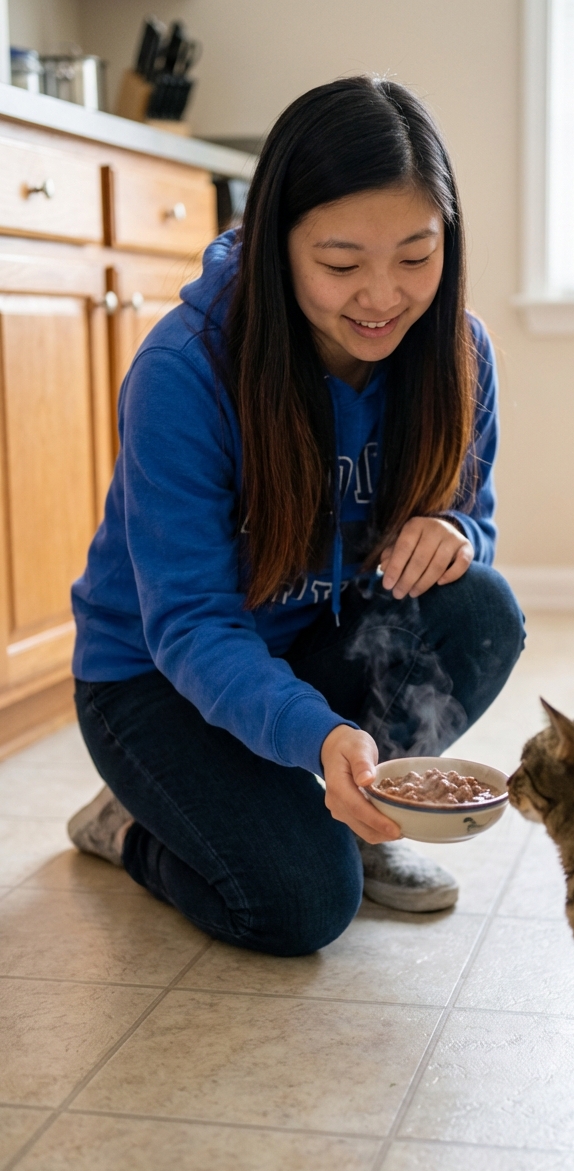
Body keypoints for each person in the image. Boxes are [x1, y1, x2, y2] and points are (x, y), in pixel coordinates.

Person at [67, 76, 524, 956]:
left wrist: (454, 535)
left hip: (307, 645)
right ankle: (128, 825)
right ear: (278, 246)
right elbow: (192, 625)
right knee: (304, 906)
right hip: (154, 681)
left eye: (417, 258)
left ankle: (355, 811)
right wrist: (317, 737)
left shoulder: (459, 353)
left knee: (482, 607)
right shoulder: (184, 372)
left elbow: (477, 524)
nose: (383, 297)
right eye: (342, 265)